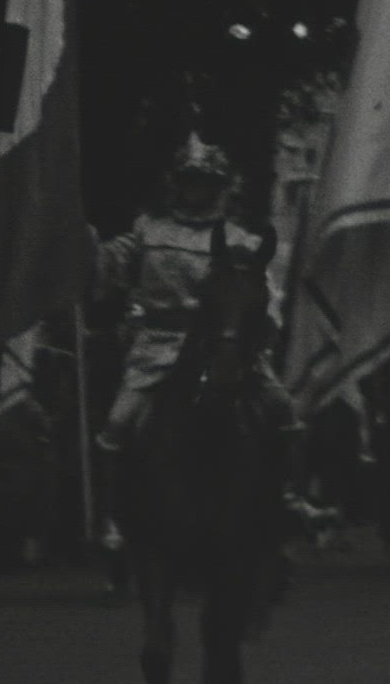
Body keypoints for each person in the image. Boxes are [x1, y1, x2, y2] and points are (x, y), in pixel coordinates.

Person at [90, 134, 317, 545]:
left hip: (227, 347)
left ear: (221, 188)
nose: (199, 190)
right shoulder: (148, 229)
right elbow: (111, 267)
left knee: (284, 411)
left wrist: (261, 330)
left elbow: (264, 295)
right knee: (116, 424)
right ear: (178, 185)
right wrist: (89, 249)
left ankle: (290, 498)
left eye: (207, 183)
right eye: (192, 181)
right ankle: (113, 517)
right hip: (157, 345)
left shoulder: (242, 240)